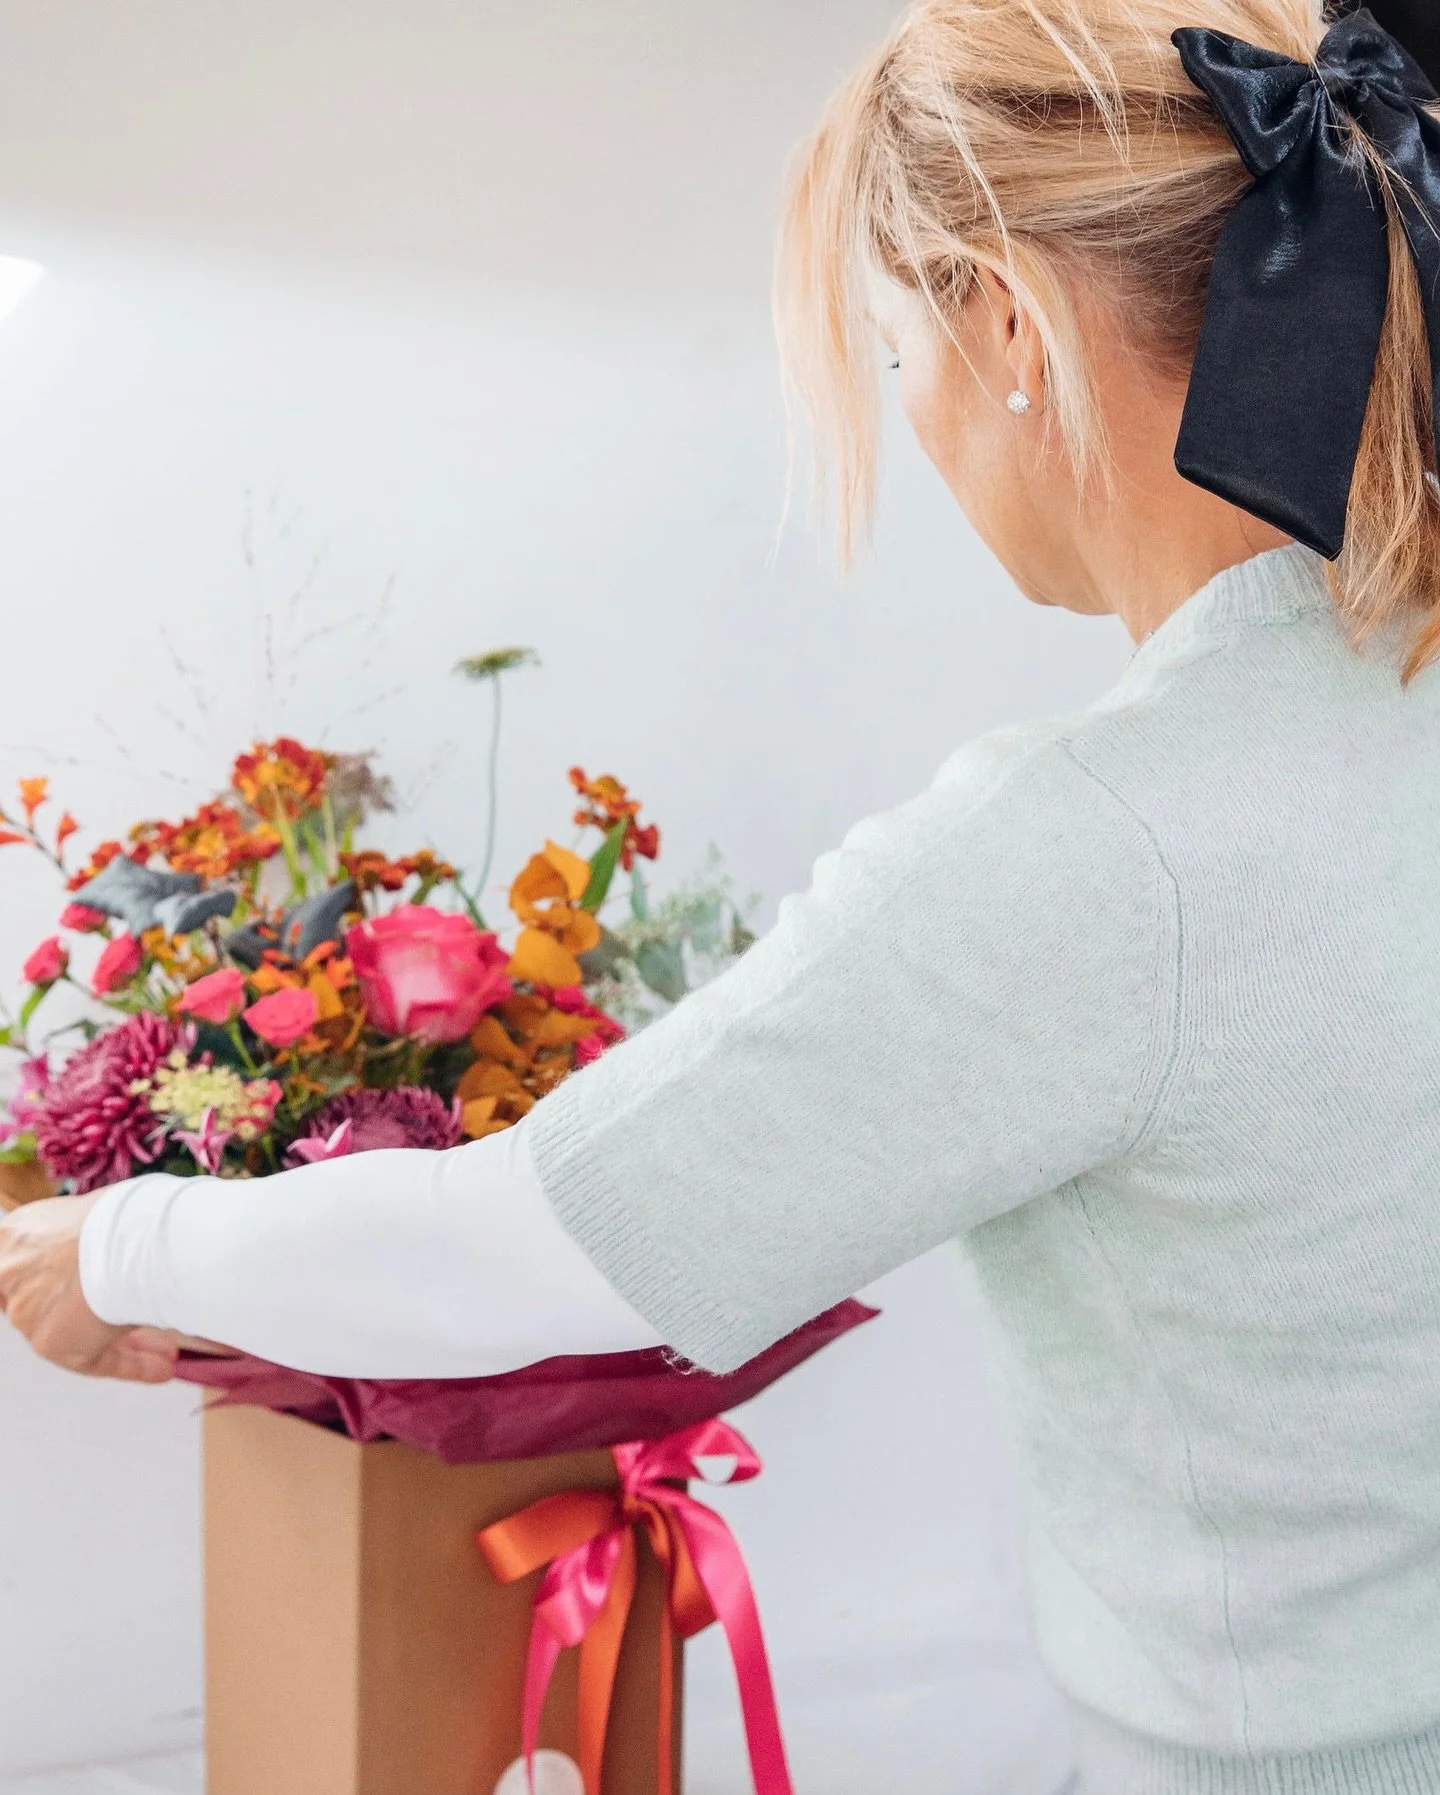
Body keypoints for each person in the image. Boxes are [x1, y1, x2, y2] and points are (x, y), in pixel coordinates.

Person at [6, 1, 1440, 1788]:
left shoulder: (1107, 847)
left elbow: (535, 1239)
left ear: (1006, 320)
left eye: (894, 341)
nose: (904, 405)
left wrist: (113, 1244)